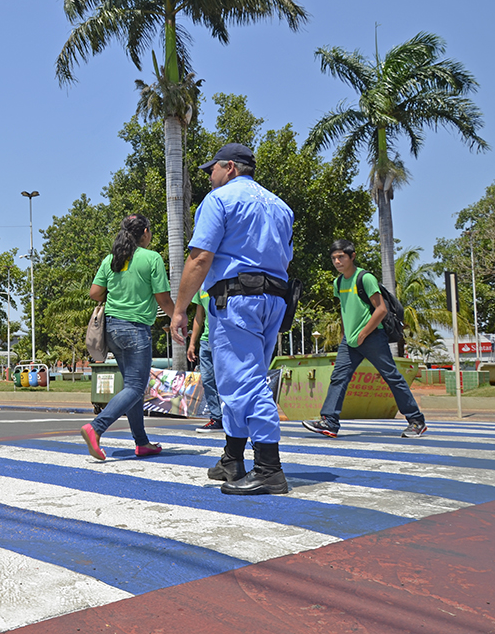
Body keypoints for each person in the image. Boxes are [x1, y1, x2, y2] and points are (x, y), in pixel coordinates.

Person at [171, 143, 295, 496]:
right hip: (274, 299)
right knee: (239, 380)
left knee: (246, 382)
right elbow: (284, 258)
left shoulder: (221, 200)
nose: (210, 177)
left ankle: (269, 468)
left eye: (212, 170)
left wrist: (179, 309)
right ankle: (233, 458)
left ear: (230, 168)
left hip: (237, 299)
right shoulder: (281, 207)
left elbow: (199, 258)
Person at [303, 240, 427, 439]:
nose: (337, 261)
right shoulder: (338, 282)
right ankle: (330, 422)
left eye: (341, 257)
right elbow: (344, 310)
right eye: (334, 258)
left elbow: (381, 309)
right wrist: (347, 335)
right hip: (350, 341)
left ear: (352, 256)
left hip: (372, 337)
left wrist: (363, 333)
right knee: (338, 378)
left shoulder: (365, 278)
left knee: (392, 377)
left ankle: (416, 420)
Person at [81, 214, 175, 460]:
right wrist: (178, 318)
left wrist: (118, 295)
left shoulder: (112, 259)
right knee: (135, 387)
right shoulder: (151, 258)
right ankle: (96, 427)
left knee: (133, 386)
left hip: (112, 329)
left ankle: (142, 442)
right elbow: (163, 299)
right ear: (145, 232)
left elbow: (94, 293)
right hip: (135, 329)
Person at [187, 288, 223, 433]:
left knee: (227, 380)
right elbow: (198, 316)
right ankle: (216, 418)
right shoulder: (200, 286)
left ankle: (235, 418)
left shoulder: (222, 276)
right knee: (207, 379)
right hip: (206, 340)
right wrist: (192, 343)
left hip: (224, 339)